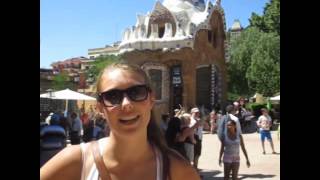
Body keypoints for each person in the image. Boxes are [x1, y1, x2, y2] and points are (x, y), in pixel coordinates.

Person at [40, 63, 200, 180]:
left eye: (136, 92)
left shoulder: (177, 170)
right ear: (100, 108)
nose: (126, 104)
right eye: (113, 96)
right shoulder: (76, 161)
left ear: (151, 99)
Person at [189, 107, 203, 171]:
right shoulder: (190, 120)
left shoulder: (198, 120)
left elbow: (205, 127)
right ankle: (194, 169)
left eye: (198, 113)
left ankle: (195, 168)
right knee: (193, 155)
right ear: (192, 113)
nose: (197, 114)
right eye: (196, 113)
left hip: (199, 139)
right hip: (194, 138)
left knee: (197, 154)